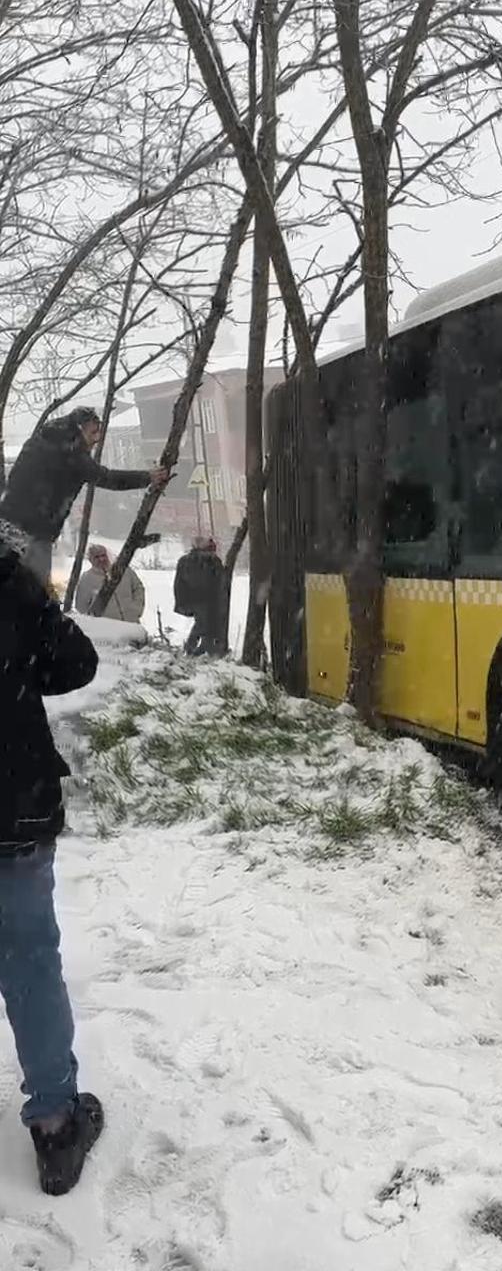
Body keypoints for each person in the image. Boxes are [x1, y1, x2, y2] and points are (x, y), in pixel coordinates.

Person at [0, 525, 103, 1196]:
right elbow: (77, 664)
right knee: (30, 964)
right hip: (11, 809)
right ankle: (56, 1124)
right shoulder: (8, 586)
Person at [0, 407, 171, 585]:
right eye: (94, 432)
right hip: (34, 531)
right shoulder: (71, 452)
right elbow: (107, 478)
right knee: (32, 591)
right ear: (80, 427)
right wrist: (148, 477)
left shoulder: (42, 440)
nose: (96, 439)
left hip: (7, 523)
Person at [174, 536, 226, 657]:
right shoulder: (192, 561)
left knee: (209, 623)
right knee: (203, 623)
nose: (212, 553)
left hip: (205, 599)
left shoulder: (210, 561)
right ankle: (192, 647)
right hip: (198, 598)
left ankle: (205, 648)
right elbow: (192, 581)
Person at [75, 543, 145, 623]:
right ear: (90, 560)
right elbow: (81, 606)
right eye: (96, 557)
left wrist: (136, 609)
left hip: (131, 622)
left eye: (103, 555)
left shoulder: (123, 570)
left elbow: (138, 588)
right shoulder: (87, 578)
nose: (101, 559)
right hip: (108, 628)